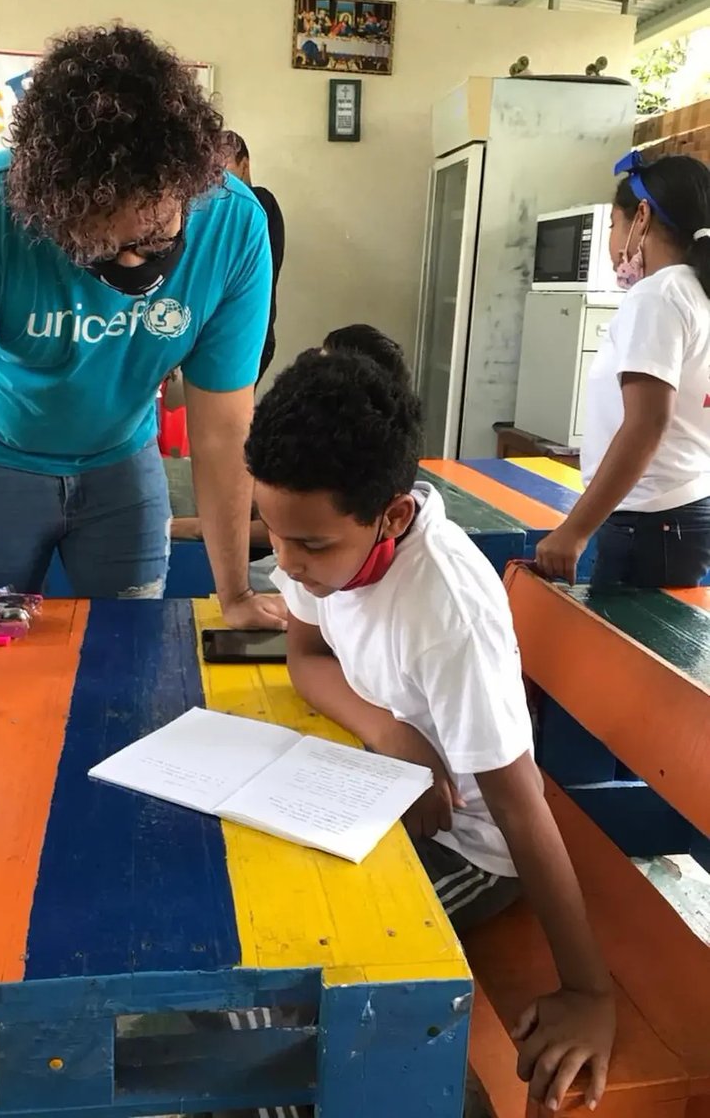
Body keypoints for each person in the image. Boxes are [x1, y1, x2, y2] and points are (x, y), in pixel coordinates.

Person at [0, 25, 285, 715]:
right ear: (51, 212)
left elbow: (222, 429)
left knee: (129, 663)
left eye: (154, 240)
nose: (134, 265)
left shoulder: (232, 226)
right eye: (105, 246)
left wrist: (236, 594)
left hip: (123, 461)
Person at [244, 334, 615, 1111]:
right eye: (273, 534)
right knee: (243, 939)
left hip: (470, 844)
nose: (288, 562)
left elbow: (518, 804)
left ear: (392, 516)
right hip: (382, 788)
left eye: (307, 544)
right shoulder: (328, 548)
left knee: (303, 995)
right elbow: (306, 657)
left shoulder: (444, 610)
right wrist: (388, 731)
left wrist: (586, 991)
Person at [537, 152, 710, 588]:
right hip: (681, 513)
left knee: (625, 653)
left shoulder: (659, 295)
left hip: (651, 523)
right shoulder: (695, 292)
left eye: (614, 224)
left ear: (642, 218)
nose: (612, 243)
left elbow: (647, 423)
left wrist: (574, 531)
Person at [225, 133, 284, 381]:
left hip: (247, 335)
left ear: (244, 165)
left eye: (222, 167)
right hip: (228, 334)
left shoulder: (260, 203)